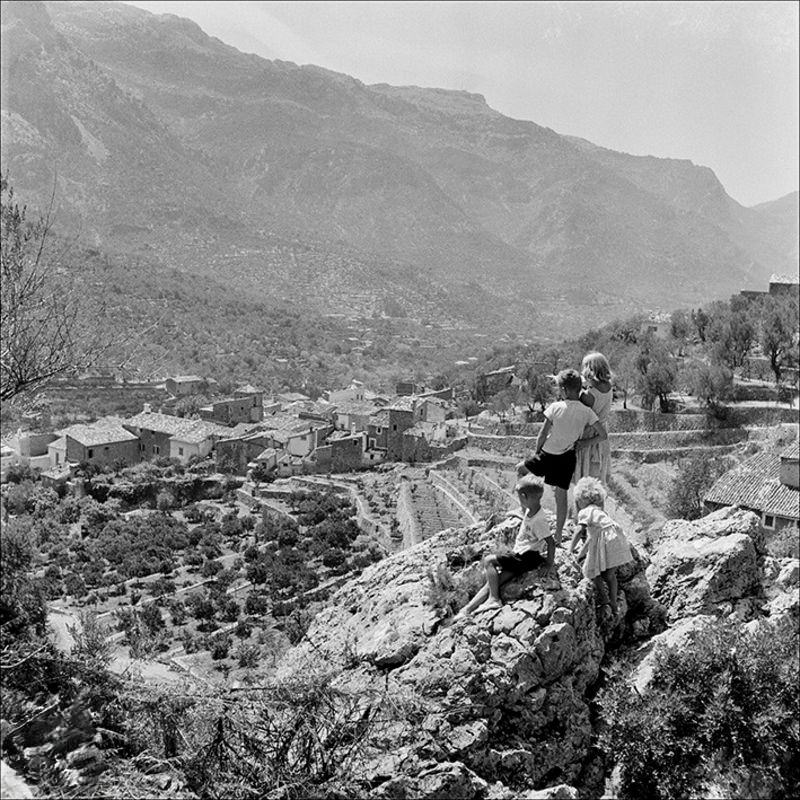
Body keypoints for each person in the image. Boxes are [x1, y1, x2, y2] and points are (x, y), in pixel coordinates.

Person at [518, 369, 607, 544]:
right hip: (567, 457)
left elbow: (542, 434)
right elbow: (603, 435)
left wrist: (537, 453)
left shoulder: (555, 407)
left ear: (564, 390)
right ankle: (558, 535)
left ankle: (526, 511)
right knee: (561, 495)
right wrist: (585, 443)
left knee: (520, 470)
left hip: (547, 453)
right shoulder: (586, 411)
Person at [457, 476, 552, 615]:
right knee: (493, 582)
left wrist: (548, 564)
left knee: (489, 560)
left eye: (519, 497)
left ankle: (494, 599)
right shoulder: (532, 510)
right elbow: (526, 520)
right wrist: (513, 514)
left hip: (524, 557)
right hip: (524, 558)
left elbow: (551, 542)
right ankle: (466, 610)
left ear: (524, 496)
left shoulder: (539, 520)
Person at [568, 476, 632, 618]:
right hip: (617, 538)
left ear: (581, 499)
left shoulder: (585, 512)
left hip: (606, 541)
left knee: (591, 571)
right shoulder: (599, 511)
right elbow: (591, 539)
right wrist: (580, 554)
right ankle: (614, 603)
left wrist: (570, 550)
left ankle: (604, 599)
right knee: (609, 575)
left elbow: (579, 531)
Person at [575, 352, 613, 484]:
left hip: (589, 437)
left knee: (586, 476)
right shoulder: (608, 386)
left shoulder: (589, 394)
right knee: (598, 479)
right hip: (602, 433)